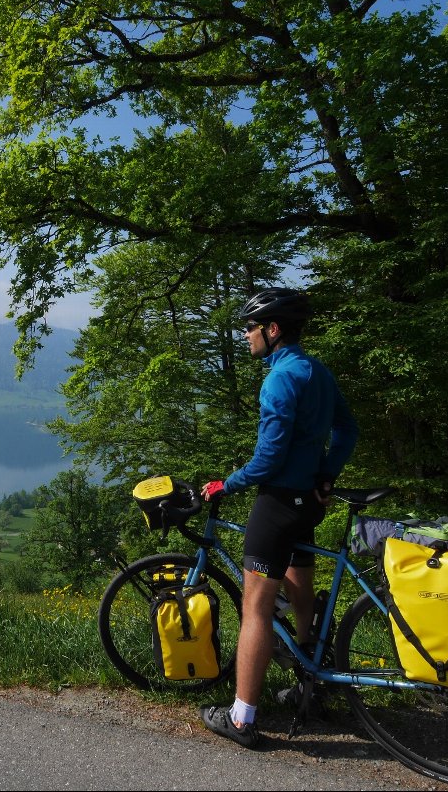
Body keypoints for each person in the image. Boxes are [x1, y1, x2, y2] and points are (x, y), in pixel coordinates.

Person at [198, 287, 359, 749]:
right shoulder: (318, 372)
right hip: (306, 503)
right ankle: (309, 686)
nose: (246, 336)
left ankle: (243, 718)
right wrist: (326, 477)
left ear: (272, 330)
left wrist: (225, 484)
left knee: (256, 610)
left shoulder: (280, 379)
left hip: (275, 506)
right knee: (300, 589)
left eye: (250, 328)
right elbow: (348, 430)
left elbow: (268, 459)